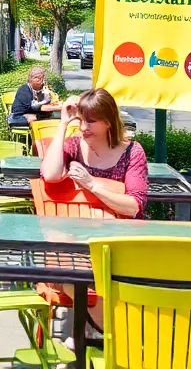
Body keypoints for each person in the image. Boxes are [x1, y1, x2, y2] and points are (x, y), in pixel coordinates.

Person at [41, 88, 148, 338]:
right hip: (77, 247)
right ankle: (105, 335)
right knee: (68, 273)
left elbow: (133, 206)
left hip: (119, 248)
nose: (84, 127)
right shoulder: (74, 145)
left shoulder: (132, 152)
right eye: (81, 120)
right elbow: (51, 174)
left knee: (103, 277)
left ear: (109, 122)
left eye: (90, 121)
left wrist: (92, 185)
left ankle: (88, 336)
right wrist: (64, 123)